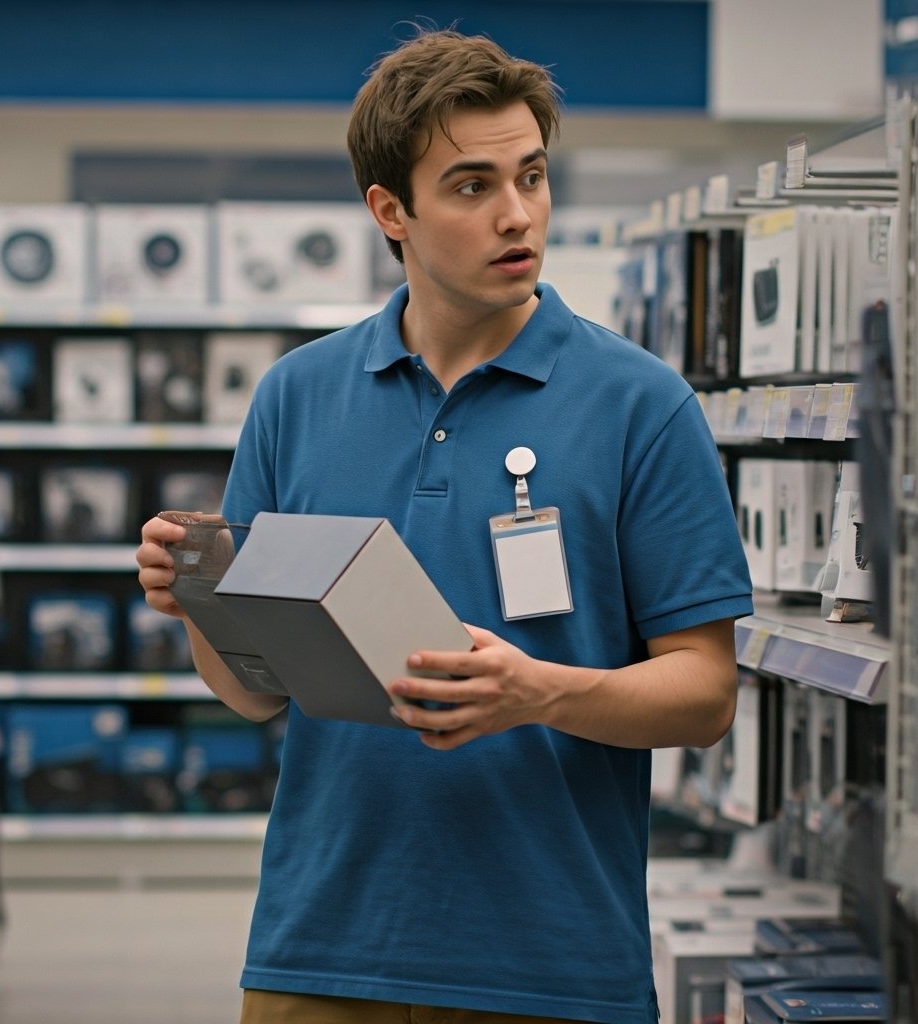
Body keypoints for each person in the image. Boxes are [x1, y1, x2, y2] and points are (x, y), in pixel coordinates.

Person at [136, 26, 754, 1024]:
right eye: (472, 186)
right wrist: (199, 604)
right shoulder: (297, 396)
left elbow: (703, 691)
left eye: (532, 177)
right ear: (392, 211)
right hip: (318, 951)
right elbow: (255, 698)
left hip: (551, 962)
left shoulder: (642, 405)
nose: (518, 216)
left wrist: (538, 691)